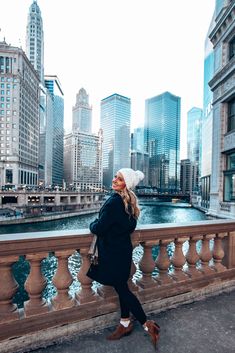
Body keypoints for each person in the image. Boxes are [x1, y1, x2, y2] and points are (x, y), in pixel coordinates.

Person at [87, 168, 160, 348]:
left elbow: (100, 228)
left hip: (112, 253)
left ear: (125, 184)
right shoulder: (129, 202)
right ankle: (125, 323)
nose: (114, 180)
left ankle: (146, 325)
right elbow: (127, 227)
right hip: (123, 251)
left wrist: (92, 224)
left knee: (123, 289)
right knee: (122, 287)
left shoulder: (114, 202)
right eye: (115, 177)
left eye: (119, 179)